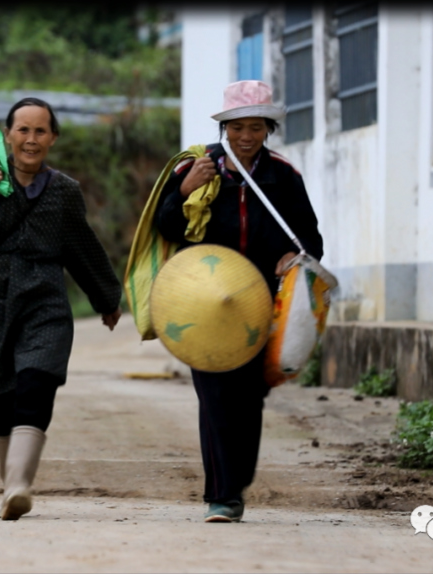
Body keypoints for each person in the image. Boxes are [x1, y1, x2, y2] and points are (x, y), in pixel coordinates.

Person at [154, 80, 324, 523]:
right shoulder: (197, 167)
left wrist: (295, 255)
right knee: (215, 396)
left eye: (255, 127)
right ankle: (222, 495)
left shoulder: (284, 176)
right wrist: (186, 190)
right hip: (203, 303)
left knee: (248, 398)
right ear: (224, 128)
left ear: (268, 129)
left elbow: (311, 237)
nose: (245, 136)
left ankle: (235, 484)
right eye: (236, 127)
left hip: (259, 305)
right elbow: (166, 226)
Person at [0, 97, 123, 521]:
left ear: (53, 138)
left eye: (40, 130)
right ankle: (12, 485)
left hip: (45, 296)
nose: (31, 139)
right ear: (7, 135)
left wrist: (106, 298)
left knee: (37, 381)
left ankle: (19, 484)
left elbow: (81, 245)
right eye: (22, 130)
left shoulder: (64, 191)